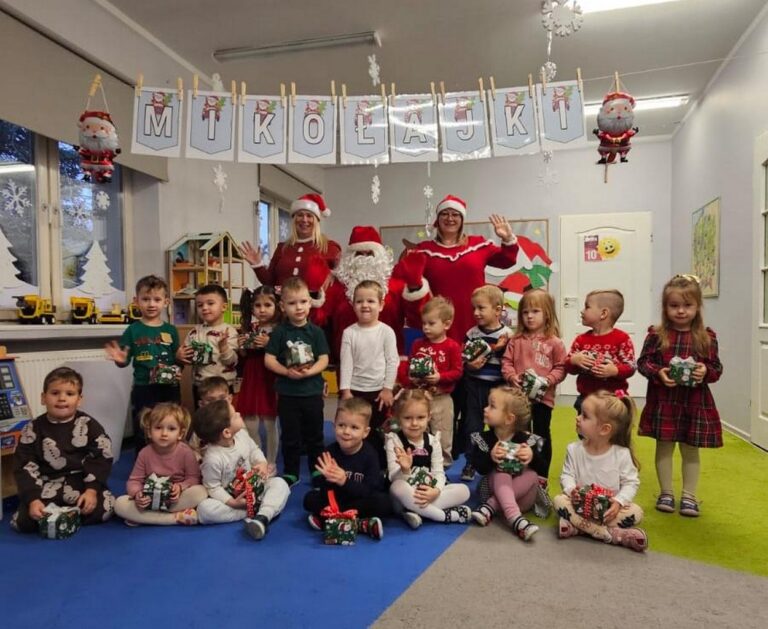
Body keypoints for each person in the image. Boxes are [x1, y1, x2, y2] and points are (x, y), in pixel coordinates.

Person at [637, 274, 723, 517]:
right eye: (674, 305)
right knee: (664, 446)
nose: (681, 311)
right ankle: (666, 492)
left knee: (690, 449)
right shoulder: (656, 335)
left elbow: (716, 368)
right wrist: (659, 372)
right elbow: (643, 363)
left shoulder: (706, 337)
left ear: (697, 306)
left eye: (687, 305)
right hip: (664, 401)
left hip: (693, 403)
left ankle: (689, 496)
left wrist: (704, 371)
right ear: (665, 307)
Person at [12, 367, 114, 533]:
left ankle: (64, 518)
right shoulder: (32, 429)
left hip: (81, 484)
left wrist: (92, 491)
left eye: (69, 394)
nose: (61, 398)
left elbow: (101, 457)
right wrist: (33, 500)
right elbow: (24, 466)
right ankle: (60, 516)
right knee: (24, 522)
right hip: (47, 485)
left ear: (79, 399)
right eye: (55, 393)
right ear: (43, 398)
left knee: (105, 508)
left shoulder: (89, 425)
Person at [410, 194, 519, 343]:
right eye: (444, 214)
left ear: (462, 220)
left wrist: (507, 238)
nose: (450, 218)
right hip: (441, 322)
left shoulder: (477, 245)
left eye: (455, 214)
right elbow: (411, 284)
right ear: (438, 219)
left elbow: (506, 261)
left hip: (476, 318)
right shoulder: (424, 251)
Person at [313, 225, 429, 362]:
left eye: (370, 254)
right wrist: (313, 291)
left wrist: (415, 287)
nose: (365, 259)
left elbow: (418, 320)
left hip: (388, 361)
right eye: (359, 254)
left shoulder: (396, 285)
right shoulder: (336, 286)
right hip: (348, 362)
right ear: (349, 257)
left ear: (380, 255)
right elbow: (317, 320)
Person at [554, 390, 647, 552]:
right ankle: (610, 533)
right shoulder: (574, 449)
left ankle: (579, 528)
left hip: (608, 511)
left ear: (604, 429)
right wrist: (571, 490)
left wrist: (618, 502)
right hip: (580, 506)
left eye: (585, 416)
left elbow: (631, 483)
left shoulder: (621, 454)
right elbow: (567, 475)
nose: (577, 418)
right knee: (559, 501)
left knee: (636, 512)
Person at [264, 277, 330, 488]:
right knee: (290, 435)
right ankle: (291, 472)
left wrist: (311, 372)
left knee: (315, 435)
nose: (299, 307)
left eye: (303, 301)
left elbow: (324, 359)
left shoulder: (316, 332)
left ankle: (317, 470)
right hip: (288, 393)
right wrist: (286, 372)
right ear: (283, 306)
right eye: (292, 303)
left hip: (312, 392)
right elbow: (269, 360)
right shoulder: (279, 332)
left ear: (310, 302)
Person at [193, 399, 290, 540]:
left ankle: (263, 516)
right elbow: (212, 487)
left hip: (255, 489)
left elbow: (254, 450)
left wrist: (262, 463)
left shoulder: (242, 435)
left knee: (280, 484)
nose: (239, 413)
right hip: (233, 498)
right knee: (204, 510)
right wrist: (233, 503)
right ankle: (256, 511)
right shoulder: (213, 458)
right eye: (235, 415)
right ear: (227, 432)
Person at [105, 275, 181, 454]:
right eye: (146, 299)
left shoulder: (171, 330)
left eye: (157, 299)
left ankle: (172, 460)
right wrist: (120, 360)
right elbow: (124, 362)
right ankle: (143, 463)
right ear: (136, 301)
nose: (151, 304)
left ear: (166, 302)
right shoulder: (133, 330)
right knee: (144, 427)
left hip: (169, 387)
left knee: (171, 424)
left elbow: (177, 359)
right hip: (143, 388)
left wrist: (180, 366)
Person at [303, 397, 391, 540]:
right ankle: (360, 524)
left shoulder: (370, 455)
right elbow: (325, 490)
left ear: (365, 432)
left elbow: (370, 490)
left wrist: (344, 481)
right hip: (338, 500)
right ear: (334, 426)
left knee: (383, 503)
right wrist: (327, 479)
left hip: (360, 500)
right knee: (309, 499)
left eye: (354, 427)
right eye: (341, 425)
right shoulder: (329, 452)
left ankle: (330, 520)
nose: (346, 431)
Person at [501, 288, 567, 477]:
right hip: (518, 400)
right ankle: (518, 472)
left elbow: (561, 367)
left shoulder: (555, 342)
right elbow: (506, 362)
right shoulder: (515, 340)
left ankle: (541, 475)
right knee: (518, 434)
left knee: (541, 435)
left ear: (547, 314)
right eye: (525, 312)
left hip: (543, 400)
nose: (529, 316)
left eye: (535, 311)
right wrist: (512, 376)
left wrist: (547, 380)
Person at [385, 389, 471, 529]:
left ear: (429, 417)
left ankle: (417, 512)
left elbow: (439, 473)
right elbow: (393, 477)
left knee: (464, 490)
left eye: (420, 417)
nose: (414, 423)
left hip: (427, 492)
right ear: (399, 418)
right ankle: (443, 516)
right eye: (408, 418)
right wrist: (405, 470)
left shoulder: (433, 441)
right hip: (404, 496)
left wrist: (435, 491)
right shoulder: (394, 440)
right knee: (397, 487)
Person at [469, 387, 544, 541]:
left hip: (523, 499)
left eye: (492, 406)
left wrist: (532, 456)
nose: (485, 409)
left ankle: (490, 507)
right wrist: (491, 457)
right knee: (501, 470)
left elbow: (543, 469)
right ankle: (516, 519)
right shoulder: (484, 439)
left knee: (532, 475)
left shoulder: (527, 440)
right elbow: (479, 468)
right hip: (491, 490)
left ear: (509, 419)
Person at [114, 403, 207, 526]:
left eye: (171, 429)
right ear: (149, 432)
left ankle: (144, 517)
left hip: (175, 500)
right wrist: (137, 495)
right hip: (150, 500)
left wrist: (180, 487)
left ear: (180, 434)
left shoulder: (186, 452)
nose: (164, 433)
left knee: (201, 492)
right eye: (158, 428)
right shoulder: (144, 453)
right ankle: (174, 518)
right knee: (119, 504)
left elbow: (193, 478)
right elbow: (134, 480)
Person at [398, 296, 463, 466]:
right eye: (424, 323)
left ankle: (443, 466)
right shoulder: (417, 344)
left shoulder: (452, 346)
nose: (426, 327)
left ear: (446, 324)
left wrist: (440, 377)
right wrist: (411, 377)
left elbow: (457, 372)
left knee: (443, 433)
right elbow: (410, 366)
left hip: (442, 398)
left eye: (431, 323)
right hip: (419, 397)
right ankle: (420, 463)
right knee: (419, 432)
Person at [339, 279, 399, 458]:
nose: (365, 305)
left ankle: (379, 463)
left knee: (377, 430)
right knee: (355, 428)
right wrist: (346, 391)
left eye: (371, 301)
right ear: (353, 305)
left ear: (381, 305)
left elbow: (392, 361)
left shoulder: (386, 332)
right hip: (355, 391)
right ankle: (355, 460)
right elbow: (346, 363)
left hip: (379, 392)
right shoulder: (349, 332)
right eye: (359, 301)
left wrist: (387, 388)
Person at [460, 285, 513, 481]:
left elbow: (510, 360)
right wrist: (469, 365)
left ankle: (497, 463)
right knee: (473, 427)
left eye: (481, 308)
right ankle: (471, 462)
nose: (476, 312)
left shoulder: (507, 334)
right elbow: (463, 358)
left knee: (498, 427)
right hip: (475, 386)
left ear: (498, 310)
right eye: (474, 308)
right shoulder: (472, 333)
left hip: (498, 389)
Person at [241, 193, 341, 291]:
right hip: (283, 301)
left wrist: (335, 274)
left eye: (309, 216)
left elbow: (344, 275)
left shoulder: (329, 247)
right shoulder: (282, 248)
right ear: (294, 219)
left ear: (316, 220)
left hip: (315, 302)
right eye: (300, 215)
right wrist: (258, 265)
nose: (304, 220)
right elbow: (270, 282)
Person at [564, 289, 636, 414]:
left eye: (587, 307)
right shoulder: (581, 340)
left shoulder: (622, 339)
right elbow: (568, 367)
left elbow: (631, 366)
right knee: (584, 425)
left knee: (614, 426)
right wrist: (574, 360)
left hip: (614, 401)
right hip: (587, 398)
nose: (582, 311)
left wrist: (615, 370)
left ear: (603, 313)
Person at [236, 286, 281, 467]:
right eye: (257, 305)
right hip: (252, 376)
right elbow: (243, 356)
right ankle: (257, 459)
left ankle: (271, 462)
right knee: (250, 423)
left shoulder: (281, 329)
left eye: (267, 305)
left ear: (277, 306)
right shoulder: (250, 328)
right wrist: (241, 346)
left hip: (270, 377)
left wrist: (270, 343)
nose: (262, 310)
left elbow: (285, 353)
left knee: (270, 423)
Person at [177, 284, 239, 406]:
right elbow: (187, 358)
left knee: (223, 416)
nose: (204, 308)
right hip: (200, 386)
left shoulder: (229, 331)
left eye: (210, 303)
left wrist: (224, 347)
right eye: (200, 305)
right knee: (203, 416)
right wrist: (180, 357)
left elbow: (232, 362)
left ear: (224, 307)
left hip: (224, 386)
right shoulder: (194, 332)